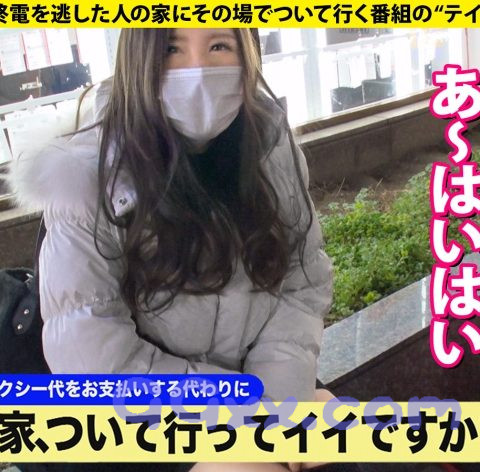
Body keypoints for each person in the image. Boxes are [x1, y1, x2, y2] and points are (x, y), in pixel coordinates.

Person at [9, 28, 333, 471]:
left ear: (249, 53)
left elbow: (302, 283)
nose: (197, 70)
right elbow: (94, 355)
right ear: (138, 58)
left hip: (245, 382)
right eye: (171, 49)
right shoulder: (86, 175)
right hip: (132, 415)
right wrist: (241, 412)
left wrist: (277, 401)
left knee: (333, 435)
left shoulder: (268, 143)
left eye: (219, 46)